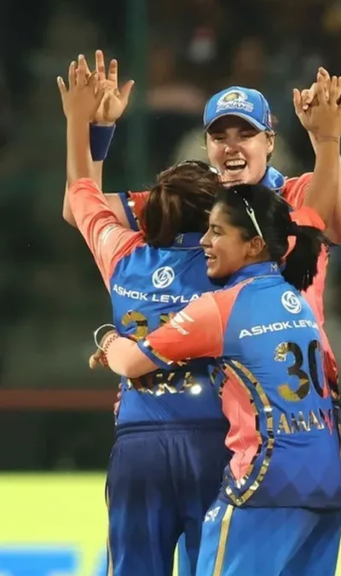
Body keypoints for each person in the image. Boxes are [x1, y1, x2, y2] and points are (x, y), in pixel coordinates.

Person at [61, 50, 341, 392]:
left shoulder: (296, 191)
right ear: (205, 145)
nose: (231, 146)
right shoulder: (189, 201)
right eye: (219, 137)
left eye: (245, 134)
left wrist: (323, 137)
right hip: (221, 393)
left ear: (269, 141)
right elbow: (79, 208)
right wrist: (99, 131)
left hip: (295, 381)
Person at [92, 183, 341, 576]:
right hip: (327, 488)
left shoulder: (221, 308)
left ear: (254, 245)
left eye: (217, 231)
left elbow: (129, 362)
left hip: (264, 485)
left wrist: (107, 338)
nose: (204, 241)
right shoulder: (300, 301)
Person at [58, 55, 228, 576]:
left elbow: (79, 197)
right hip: (215, 440)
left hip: (140, 441)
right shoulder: (232, 265)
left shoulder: (123, 255)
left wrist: (84, 123)